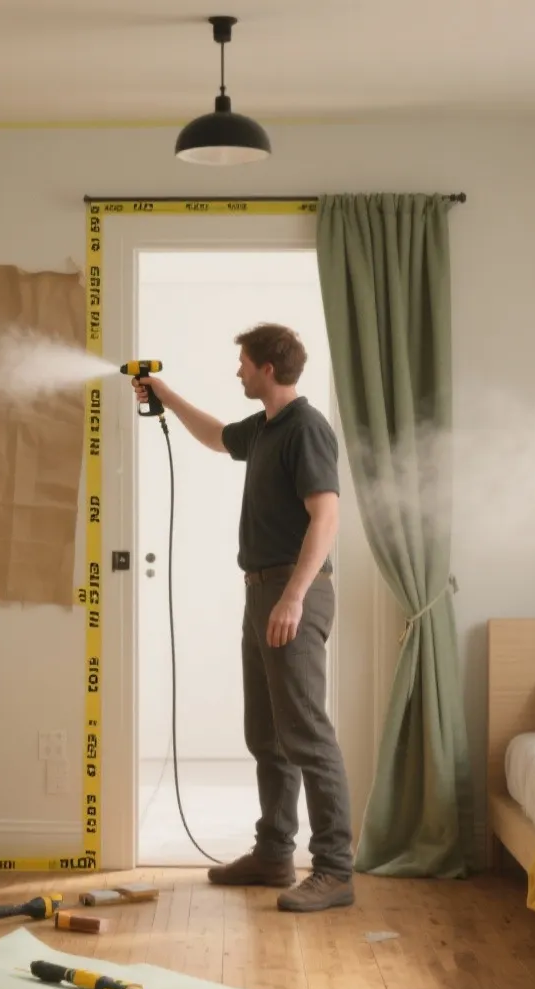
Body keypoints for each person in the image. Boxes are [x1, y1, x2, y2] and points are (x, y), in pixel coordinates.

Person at [131, 322, 355, 913]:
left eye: (243, 364)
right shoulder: (264, 428)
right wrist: (165, 393)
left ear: (267, 370)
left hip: (291, 590)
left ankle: (335, 870)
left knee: (306, 732)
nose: (237, 372)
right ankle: (275, 854)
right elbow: (214, 436)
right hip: (263, 591)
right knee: (267, 734)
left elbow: (325, 519)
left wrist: (294, 596)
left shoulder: (306, 428)